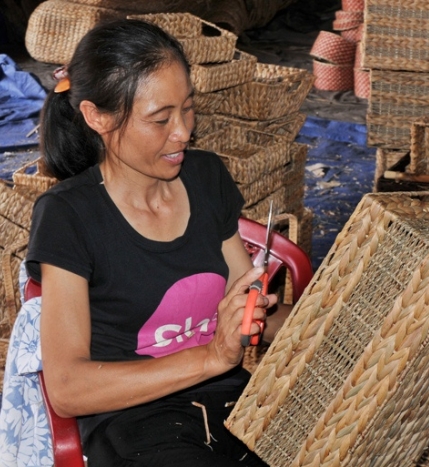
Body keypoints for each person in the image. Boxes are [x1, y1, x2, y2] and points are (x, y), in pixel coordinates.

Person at [26, 18, 287, 466]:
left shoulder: (207, 179)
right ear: (97, 117)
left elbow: (246, 300)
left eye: (187, 108)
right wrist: (210, 357)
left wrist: (317, 317)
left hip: (233, 403)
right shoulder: (68, 216)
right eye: (160, 118)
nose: (183, 131)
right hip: (132, 422)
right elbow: (68, 390)